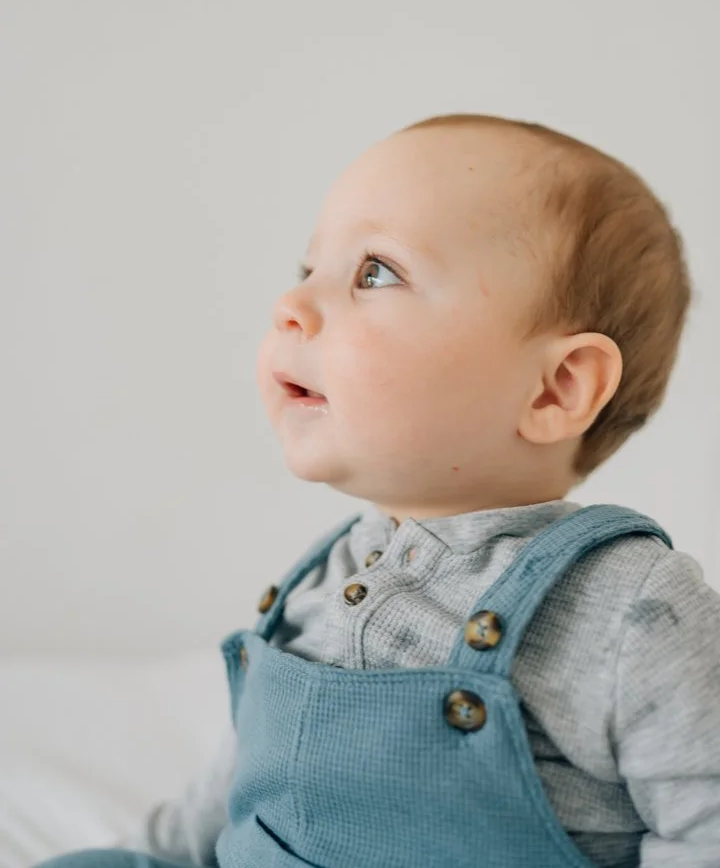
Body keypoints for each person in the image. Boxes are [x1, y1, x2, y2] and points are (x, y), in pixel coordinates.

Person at [37, 115, 720, 868]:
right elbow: (239, 786)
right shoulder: (332, 573)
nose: (290, 306)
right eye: (306, 270)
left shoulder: (629, 609)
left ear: (554, 388)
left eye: (375, 273)